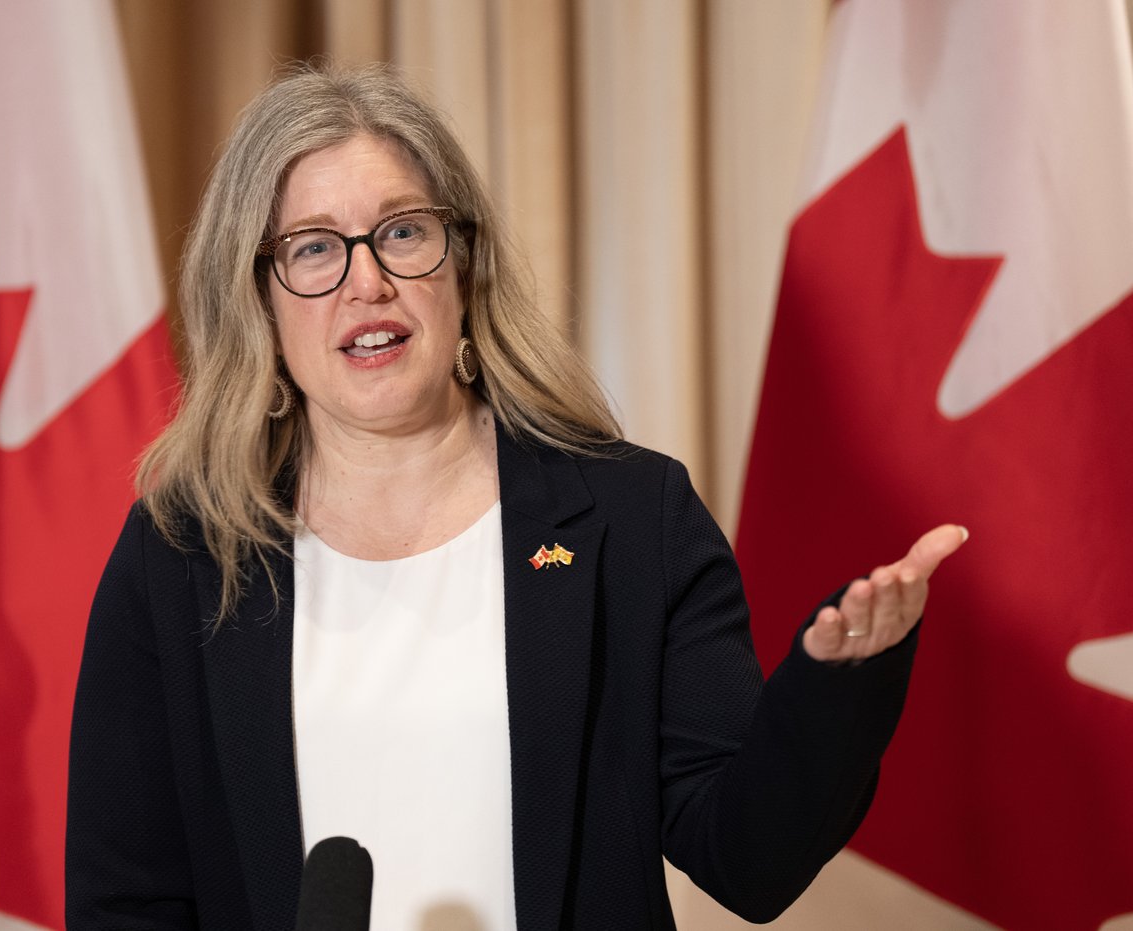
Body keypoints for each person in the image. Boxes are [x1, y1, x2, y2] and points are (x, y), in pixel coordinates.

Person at [65, 62, 966, 930]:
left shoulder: (628, 517)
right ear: (256, 298)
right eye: (313, 248)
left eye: (403, 232)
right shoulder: (183, 553)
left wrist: (841, 682)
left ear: (463, 264)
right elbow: (125, 900)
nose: (366, 280)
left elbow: (750, 861)